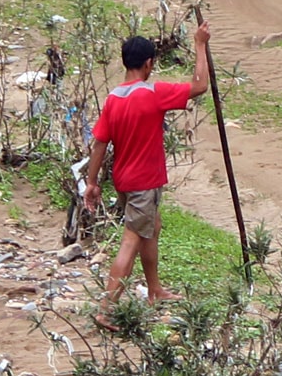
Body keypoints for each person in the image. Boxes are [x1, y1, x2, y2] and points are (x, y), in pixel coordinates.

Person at [90, 16, 211, 309]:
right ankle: (106, 309)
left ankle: (155, 289)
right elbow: (200, 86)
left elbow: (99, 143)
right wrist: (199, 45)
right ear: (148, 64)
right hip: (144, 183)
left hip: (124, 180)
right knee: (131, 241)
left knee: (151, 227)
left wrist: (92, 183)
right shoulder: (153, 94)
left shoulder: (113, 99)